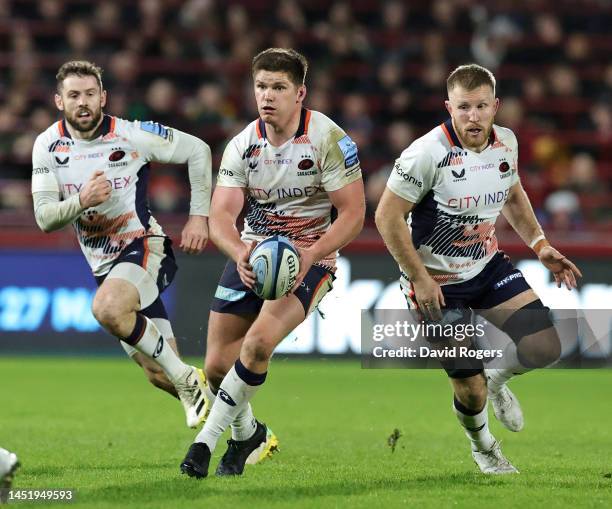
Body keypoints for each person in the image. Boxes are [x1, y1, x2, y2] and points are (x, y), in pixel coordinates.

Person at [375, 64, 582, 474]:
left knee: (546, 348)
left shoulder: (506, 142)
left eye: (481, 106)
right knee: (470, 393)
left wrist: (540, 244)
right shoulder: (426, 153)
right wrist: (419, 277)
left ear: (495, 107)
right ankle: (484, 446)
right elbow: (386, 216)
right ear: (448, 107)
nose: (473, 116)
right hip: (436, 284)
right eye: (464, 107)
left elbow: (514, 192)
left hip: (486, 268)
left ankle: (498, 378)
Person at [180, 48, 365, 478]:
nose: (267, 96)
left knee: (258, 345)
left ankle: (204, 445)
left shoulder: (329, 140)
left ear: (300, 92)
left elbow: (353, 214)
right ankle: (250, 435)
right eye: (261, 86)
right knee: (215, 368)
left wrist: (313, 254)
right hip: (255, 252)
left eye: (278, 87)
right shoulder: (243, 145)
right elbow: (221, 217)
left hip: (311, 257)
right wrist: (239, 253)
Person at [31, 61, 212, 429]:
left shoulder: (132, 135)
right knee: (157, 373)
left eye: (90, 94)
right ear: (58, 101)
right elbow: (45, 218)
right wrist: (82, 200)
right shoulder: (47, 145)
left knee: (107, 309)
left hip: (144, 247)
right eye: (73, 95)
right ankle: (248, 428)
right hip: (105, 267)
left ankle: (186, 376)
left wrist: (198, 216)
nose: (83, 102)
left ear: (104, 97)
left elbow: (198, 150)